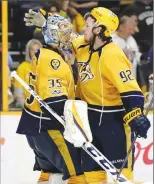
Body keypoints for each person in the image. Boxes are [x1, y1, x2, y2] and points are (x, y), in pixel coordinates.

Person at [24, 7, 151, 184]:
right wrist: (47, 21)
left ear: (99, 30)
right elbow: (64, 34)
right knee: (91, 178)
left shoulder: (113, 55)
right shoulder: (83, 44)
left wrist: (136, 115)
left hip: (113, 125)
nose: (83, 29)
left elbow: (130, 89)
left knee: (120, 177)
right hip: (88, 123)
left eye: (88, 25)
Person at [17, 15, 87, 184]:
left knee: (49, 174)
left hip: (35, 128)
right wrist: (72, 126)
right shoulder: (52, 59)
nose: (68, 37)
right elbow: (54, 100)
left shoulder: (49, 55)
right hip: (49, 129)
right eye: (64, 34)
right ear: (53, 35)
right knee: (77, 173)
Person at [14, 39, 42, 109]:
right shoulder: (22, 67)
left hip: (43, 107)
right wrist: (26, 107)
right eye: (32, 50)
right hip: (27, 107)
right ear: (28, 51)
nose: (35, 52)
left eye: (37, 49)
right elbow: (18, 91)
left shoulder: (46, 67)